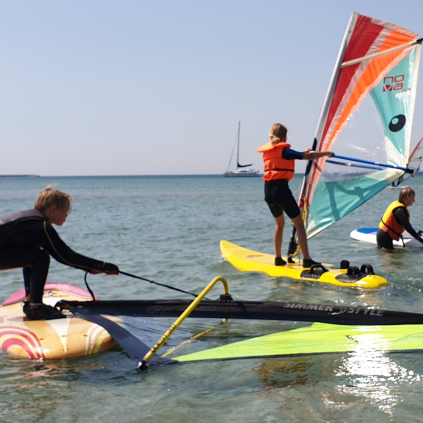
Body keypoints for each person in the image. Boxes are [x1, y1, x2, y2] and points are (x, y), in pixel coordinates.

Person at [0, 187, 119, 320]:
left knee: (34, 256)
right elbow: (66, 256)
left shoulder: (31, 223)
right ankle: (36, 307)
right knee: (41, 257)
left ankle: (32, 304)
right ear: (53, 209)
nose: (67, 215)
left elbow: (60, 256)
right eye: (66, 211)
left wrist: (92, 268)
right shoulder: (41, 226)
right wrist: (101, 266)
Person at [257, 123, 334, 267]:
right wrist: (326, 153)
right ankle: (306, 259)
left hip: (268, 191)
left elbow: (290, 155)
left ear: (271, 136)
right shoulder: (285, 151)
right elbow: (307, 157)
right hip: (281, 191)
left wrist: (302, 152)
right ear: (285, 137)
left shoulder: (268, 151)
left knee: (279, 224)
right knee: (299, 224)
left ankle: (278, 258)